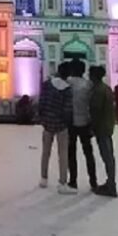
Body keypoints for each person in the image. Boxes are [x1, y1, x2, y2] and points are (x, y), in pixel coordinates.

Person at [38, 63, 74, 194]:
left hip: (47, 122)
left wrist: (43, 118)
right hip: (61, 125)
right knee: (63, 153)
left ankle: (43, 178)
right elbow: (67, 109)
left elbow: (41, 102)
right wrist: (67, 122)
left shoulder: (47, 85)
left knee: (45, 152)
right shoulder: (67, 89)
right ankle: (62, 182)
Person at [66, 60, 97, 191]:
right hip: (85, 122)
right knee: (88, 153)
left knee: (71, 153)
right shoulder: (89, 85)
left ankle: (73, 180)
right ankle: (93, 181)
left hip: (71, 122)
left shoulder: (68, 83)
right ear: (83, 71)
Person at [89, 65, 118, 198]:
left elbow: (95, 111)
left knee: (107, 157)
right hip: (108, 125)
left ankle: (111, 186)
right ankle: (110, 182)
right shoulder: (106, 88)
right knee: (109, 156)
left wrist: (92, 127)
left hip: (102, 127)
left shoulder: (98, 91)